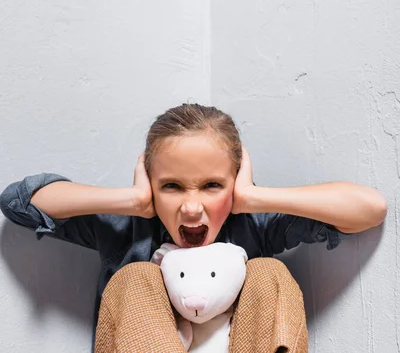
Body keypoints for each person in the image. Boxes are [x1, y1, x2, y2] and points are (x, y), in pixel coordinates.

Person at [0, 103, 387, 351]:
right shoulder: (128, 229)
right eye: (171, 186)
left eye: (212, 186)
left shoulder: (252, 226)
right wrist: (133, 201)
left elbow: (370, 208)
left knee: (270, 273)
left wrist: (253, 198)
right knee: (136, 278)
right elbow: (18, 202)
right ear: (151, 184)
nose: (190, 207)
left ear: (233, 184)